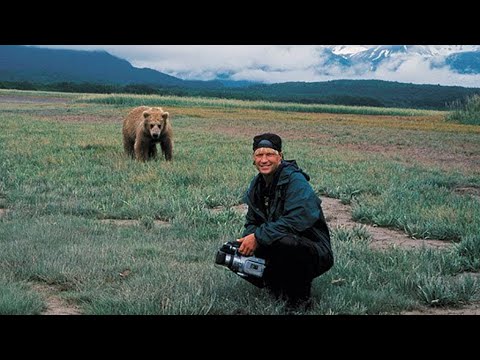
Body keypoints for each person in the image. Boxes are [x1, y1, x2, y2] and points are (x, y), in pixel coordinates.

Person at [237, 133, 334, 311]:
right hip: (276, 243)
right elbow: (252, 220)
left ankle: (301, 299)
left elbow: (297, 220)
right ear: (253, 158)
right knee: (230, 254)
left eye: (270, 154)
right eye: (259, 155)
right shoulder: (257, 184)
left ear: (280, 156)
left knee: (285, 243)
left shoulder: (296, 181)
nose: (264, 160)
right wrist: (248, 239)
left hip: (311, 249)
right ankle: (276, 287)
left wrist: (258, 237)